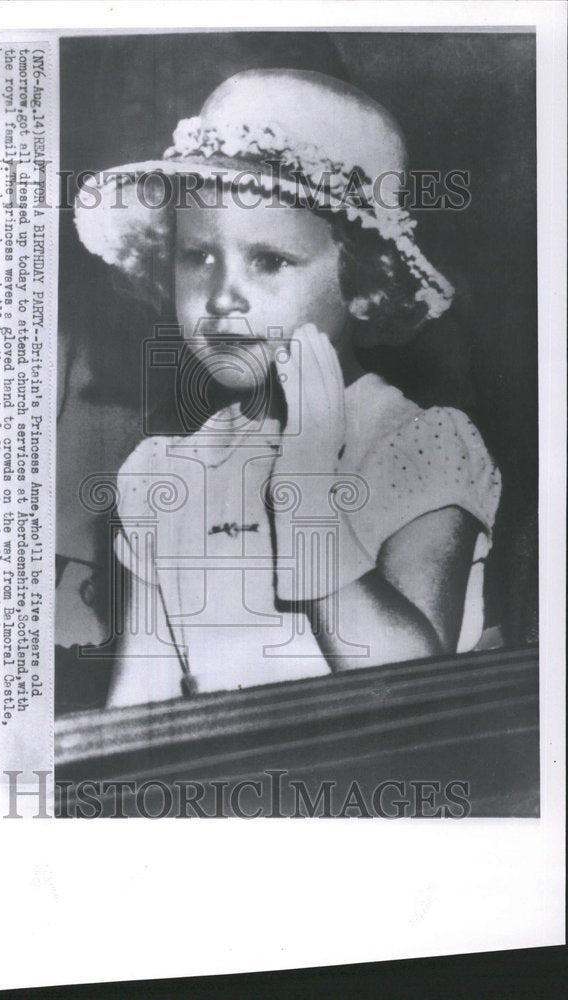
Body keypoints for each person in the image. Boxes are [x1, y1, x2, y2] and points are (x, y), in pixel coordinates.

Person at [74, 68, 501, 707]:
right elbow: (137, 712)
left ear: (366, 284)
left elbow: (412, 688)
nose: (221, 297)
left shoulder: (417, 442)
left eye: (269, 260)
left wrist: (305, 494)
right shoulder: (164, 473)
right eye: (198, 256)